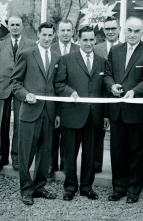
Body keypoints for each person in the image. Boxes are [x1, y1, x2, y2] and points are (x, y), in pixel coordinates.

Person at [104, 16, 143, 204]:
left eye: (137, 31)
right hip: (117, 111)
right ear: (124, 30)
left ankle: (134, 190)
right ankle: (118, 188)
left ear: (142, 32)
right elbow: (108, 74)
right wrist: (112, 86)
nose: (133, 34)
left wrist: (133, 92)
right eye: (130, 30)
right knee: (117, 152)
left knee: (137, 153)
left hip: (137, 112)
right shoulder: (115, 50)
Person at [55, 26, 108, 201]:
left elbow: (104, 89)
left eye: (91, 39)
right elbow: (59, 84)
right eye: (84, 39)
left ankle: (87, 187)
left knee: (91, 154)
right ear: (78, 40)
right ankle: (70, 187)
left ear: (95, 40)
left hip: (94, 116)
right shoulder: (66, 60)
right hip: (72, 114)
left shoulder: (102, 61)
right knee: (70, 154)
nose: (88, 43)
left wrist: (106, 114)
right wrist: (70, 92)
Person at [10, 22, 60, 206]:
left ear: (54, 36)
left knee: (45, 153)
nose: (47, 38)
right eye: (44, 35)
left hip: (49, 112)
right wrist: (25, 95)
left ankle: (39, 187)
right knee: (26, 154)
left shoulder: (57, 57)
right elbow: (15, 82)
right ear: (38, 35)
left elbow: (57, 86)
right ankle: (26, 189)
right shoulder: (26, 54)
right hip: (30, 112)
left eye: (50, 35)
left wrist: (57, 114)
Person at [0, 16, 32, 171]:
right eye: (12, 25)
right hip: (3, 88)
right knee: (3, 125)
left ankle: (17, 159)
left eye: (17, 25)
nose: (15, 27)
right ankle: (2, 158)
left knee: (20, 125)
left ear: (22, 27)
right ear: (8, 27)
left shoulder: (30, 44)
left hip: (21, 88)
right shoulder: (0, 45)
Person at [50, 19, 80, 175]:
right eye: (63, 30)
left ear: (73, 32)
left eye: (69, 30)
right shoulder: (51, 48)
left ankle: (66, 165)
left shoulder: (79, 49)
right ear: (57, 32)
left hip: (71, 97)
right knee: (53, 132)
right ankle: (51, 165)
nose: (66, 33)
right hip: (54, 97)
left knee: (69, 135)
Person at [92, 16, 121, 173]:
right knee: (98, 131)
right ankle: (96, 164)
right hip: (101, 95)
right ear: (103, 30)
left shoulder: (125, 47)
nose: (110, 31)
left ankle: (119, 168)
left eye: (113, 28)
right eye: (107, 29)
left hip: (119, 96)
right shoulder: (96, 48)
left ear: (119, 30)